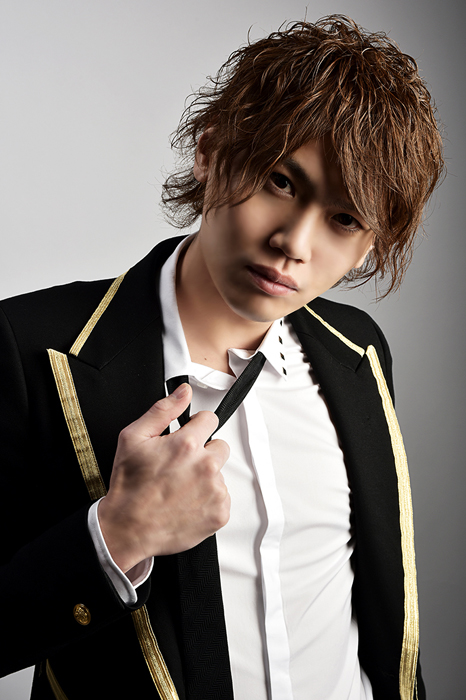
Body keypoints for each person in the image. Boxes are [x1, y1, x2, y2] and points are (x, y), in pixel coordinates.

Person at [0, 14, 443, 700]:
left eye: (345, 218)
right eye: (280, 181)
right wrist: (115, 537)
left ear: (369, 246)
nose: (294, 243)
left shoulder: (359, 352)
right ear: (210, 151)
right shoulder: (28, 347)